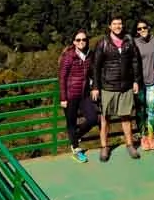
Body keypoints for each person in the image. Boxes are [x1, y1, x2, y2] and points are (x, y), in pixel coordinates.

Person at [90, 15, 143, 162]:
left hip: (126, 86)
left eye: (120, 23)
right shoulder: (103, 43)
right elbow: (96, 66)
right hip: (108, 86)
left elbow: (135, 61)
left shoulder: (129, 41)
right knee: (105, 119)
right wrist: (95, 86)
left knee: (126, 117)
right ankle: (104, 147)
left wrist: (136, 81)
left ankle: (130, 144)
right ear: (110, 26)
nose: (118, 26)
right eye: (115, 24)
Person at [58, 29, 96, 162]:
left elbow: (93, 72)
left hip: (84, 94)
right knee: (71, 123)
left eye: (84, 40)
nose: (81, 42)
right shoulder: (69, 56)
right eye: (78, 40)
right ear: (74, 42)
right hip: (70, 95)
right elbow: (62, 78)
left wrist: (95, 87)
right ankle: (75, 148)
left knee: (93, 119)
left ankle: (76, 135)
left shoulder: (89, 55)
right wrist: (63, 98)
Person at [133, 19, 154, 150]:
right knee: (140, 111)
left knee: (152, 109)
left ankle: (151, 136)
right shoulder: (134, 43)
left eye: (144, 27)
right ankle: (143, 137)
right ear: (136, 31)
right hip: (139, 83)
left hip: (152, 82)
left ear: (149, 27)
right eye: (139, 29)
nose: (142, 30)